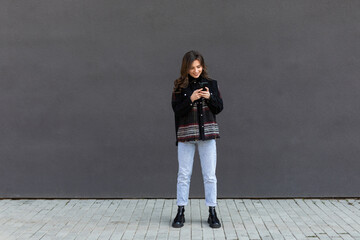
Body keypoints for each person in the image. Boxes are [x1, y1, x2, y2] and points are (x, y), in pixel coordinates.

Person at [171, 50, 223, 228]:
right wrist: (190, 99)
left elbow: (219, 108)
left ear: (203, 66)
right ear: (186, 68)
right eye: (192, 67)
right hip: (186, 136)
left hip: (207, 136)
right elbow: (177, 110)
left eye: (198, 67)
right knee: (183, 175)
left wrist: (210, 97)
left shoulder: (211, 84)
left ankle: (212, 212)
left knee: (210, 176)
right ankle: (180, 211)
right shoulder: (179, 86)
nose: (196, 70)